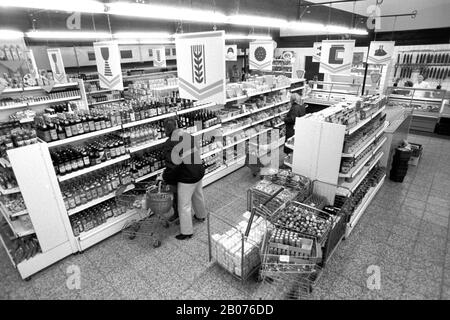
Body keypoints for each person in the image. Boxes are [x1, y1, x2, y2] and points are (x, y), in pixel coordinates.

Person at [162, 118, 207, 240]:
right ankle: (201, 215)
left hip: (187, 177)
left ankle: (187, 232)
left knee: (184, 205)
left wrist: (165, 177)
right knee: (198, 195)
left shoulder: (170, 143)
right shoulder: (188, 135)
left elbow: (172, 166)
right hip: (198, 170)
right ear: (177, 126)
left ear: (166, 130)